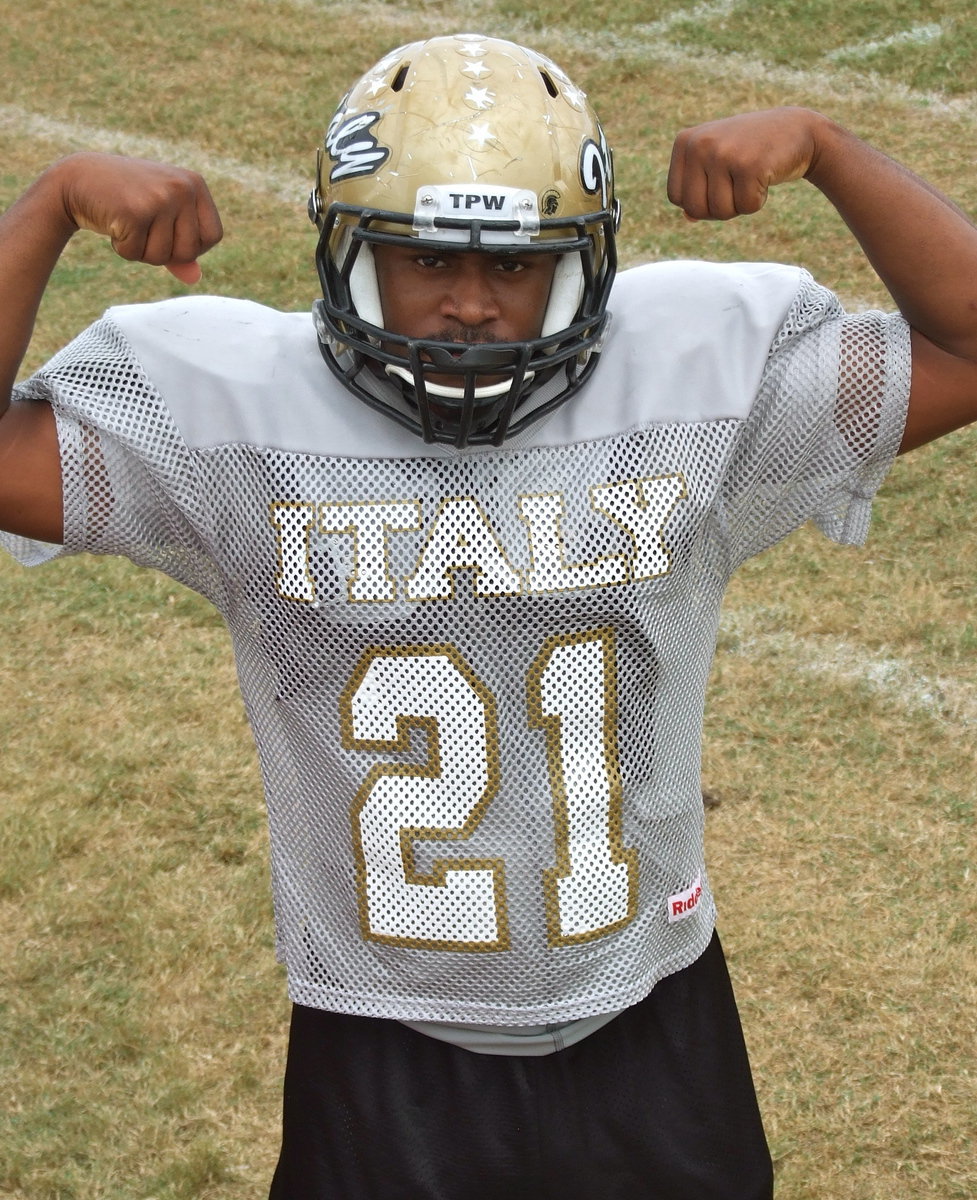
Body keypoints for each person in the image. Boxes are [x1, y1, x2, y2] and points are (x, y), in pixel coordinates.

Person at [1, 31, 976, 1200]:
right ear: (351, 256)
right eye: (424, 260)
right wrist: (51, 204)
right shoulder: (238, 424)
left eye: (511, 269)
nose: (467, 305)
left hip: (650, 1011)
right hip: (384, 1034)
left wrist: (828, 150)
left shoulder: (691, 386)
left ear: (578, 271)